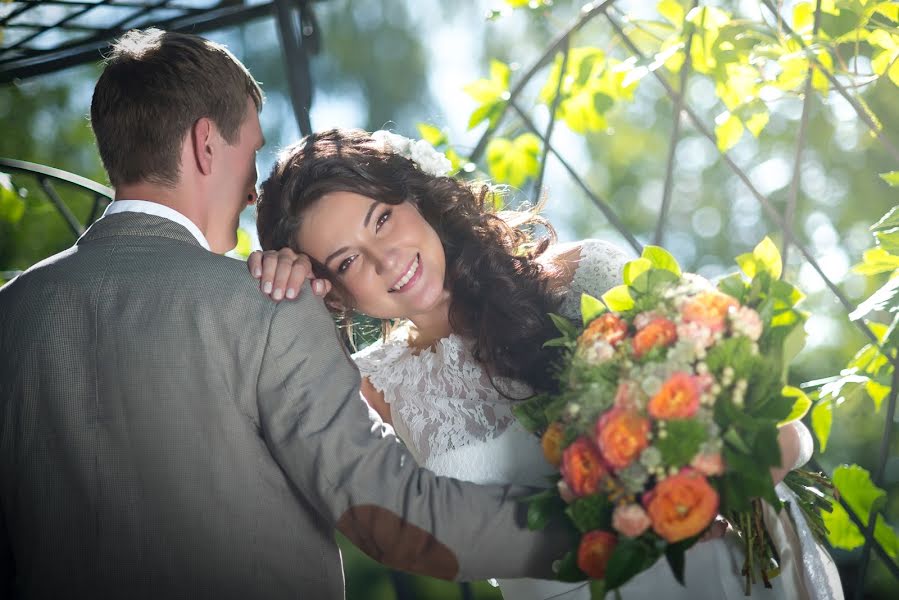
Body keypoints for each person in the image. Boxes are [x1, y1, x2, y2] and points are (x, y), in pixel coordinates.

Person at [0, 29, 576, 599]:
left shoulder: (13, 312)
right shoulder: (263, 307)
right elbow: (392, 516)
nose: (254, 193)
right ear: (206, 143)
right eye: (251, 153)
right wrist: (608, 529)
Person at [251, 128, 844, 600]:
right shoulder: (372, 386)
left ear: (415, 197)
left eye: (381, 218)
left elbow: (771, 425)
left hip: (725, 564)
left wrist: (709, 490)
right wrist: (287, 301)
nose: (386, 261)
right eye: (348, 261)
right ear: (334, 289)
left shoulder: (585, 276)